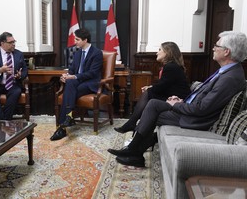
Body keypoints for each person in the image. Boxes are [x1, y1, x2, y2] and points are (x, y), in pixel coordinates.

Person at [108, 31, 247, 167]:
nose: (213, 48)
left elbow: (202, 108)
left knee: (152, 109)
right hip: (191, 108)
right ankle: (135, 151)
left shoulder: (229, 78)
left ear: (227, 51)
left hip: (197, 120)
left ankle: (134, 151)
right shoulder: (229, 71)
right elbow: (204, 98)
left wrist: (176, 105)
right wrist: (181, 101)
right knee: (153, 104)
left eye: (217, 46)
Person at [114, 42, 190, 136]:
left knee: (147, 94)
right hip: (172, 96)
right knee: (148, 92)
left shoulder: (171, 67)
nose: (156, 53)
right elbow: (164, 85)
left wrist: (149, 89)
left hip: (177, 100)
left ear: (167, 52)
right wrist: (151, 87)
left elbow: (161, 87)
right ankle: (133, 123)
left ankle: (132, 123)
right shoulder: (172, 66)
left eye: (159, 50)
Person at [50, 28, 103, 141]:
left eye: (77, 39)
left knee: (70, 87)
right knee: (70, 83)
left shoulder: (97, 53)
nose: (75, 42)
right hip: (76, 82)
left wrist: (73, 77)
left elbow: (92, 73)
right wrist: (66, 75)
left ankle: (64, 123)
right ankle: (67, 120)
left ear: (85, 40)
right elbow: (72, 69)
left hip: (90, 83)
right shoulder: (78, 53)